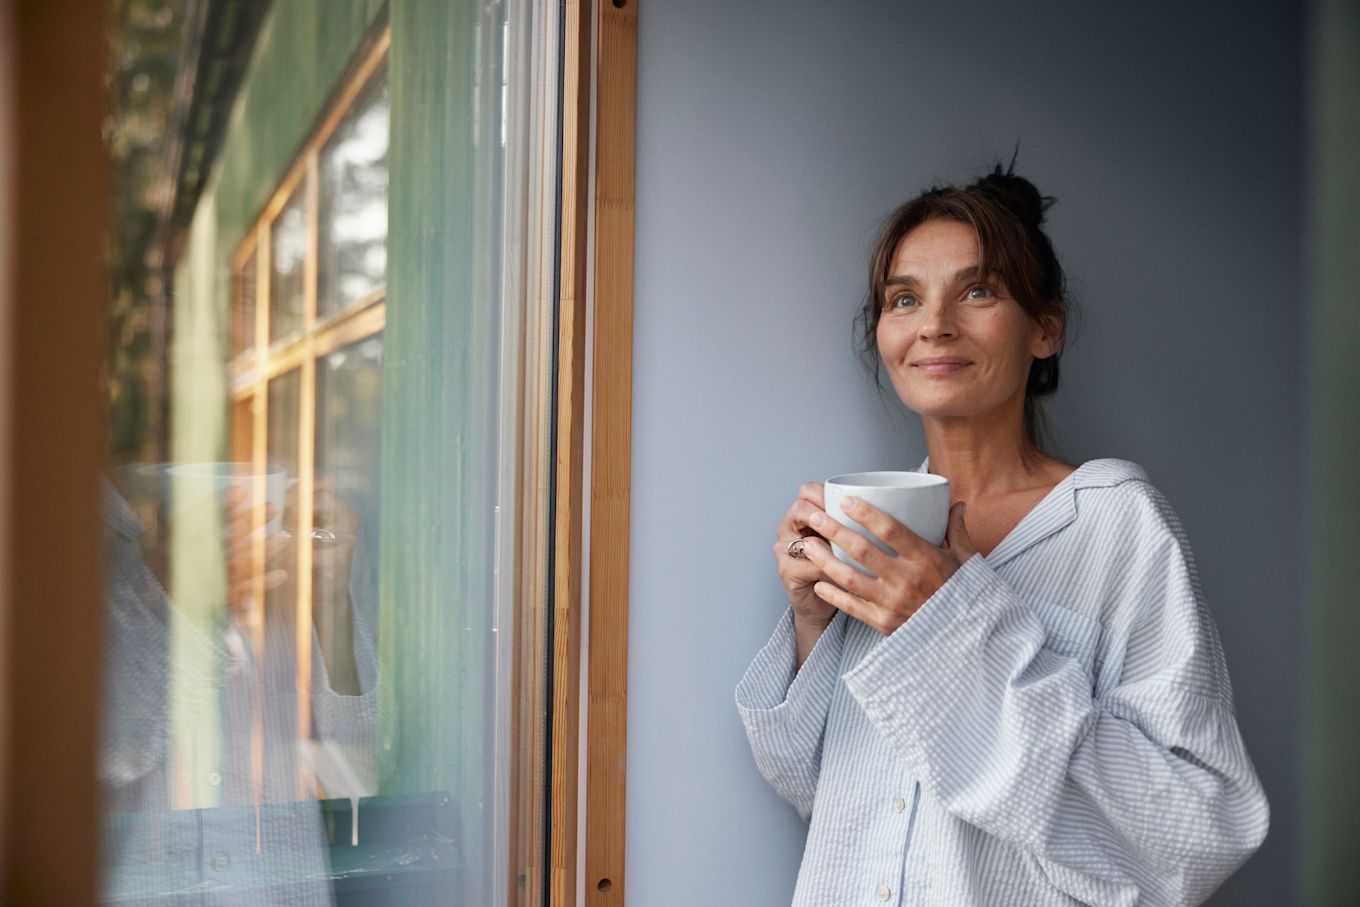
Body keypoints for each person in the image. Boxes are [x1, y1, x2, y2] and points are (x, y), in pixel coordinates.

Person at [734, 163, 1269, 906]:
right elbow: (819, 788)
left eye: (977, 291)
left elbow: (1197, 831)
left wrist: (947, 622)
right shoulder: (877, 531)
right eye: (904, 298)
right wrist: (813, 623)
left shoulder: (1114, 522)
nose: (934, 323)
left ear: (1046, 328)